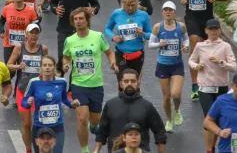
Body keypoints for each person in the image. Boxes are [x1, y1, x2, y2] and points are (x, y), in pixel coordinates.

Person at [63, 8, 117, 153]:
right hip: (78, 84)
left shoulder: (97, 36)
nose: (78, 21)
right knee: (82, 118)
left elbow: (109, 52)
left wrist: (112, 63)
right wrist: (66, 64)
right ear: (73, 22)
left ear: (87, 20)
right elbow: (66, 56)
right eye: (75, 19)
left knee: (95, 119)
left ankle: (93, 126)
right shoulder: (69, 40)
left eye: (81, 18)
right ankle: (85, 150)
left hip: (96, 84)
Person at [177, 0, 228, 100]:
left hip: (207, 19)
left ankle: (210, 81)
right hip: (191, 17)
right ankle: (194, 86)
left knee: (211, 49)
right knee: (195, 46)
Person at [188, 19, 236, 153]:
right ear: (206, 31)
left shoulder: (225, 46)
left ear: (219, 30)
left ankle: (213, 146)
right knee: (209, 120)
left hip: (221, 87)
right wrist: (196, 66)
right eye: (211, 29)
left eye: (216, 29)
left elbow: (233, 67)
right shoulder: (200, 46)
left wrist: (221, 62)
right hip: (205, 88)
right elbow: (191, 60)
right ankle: (209, 150)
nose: (213, 31)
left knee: (219, 121)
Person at [93, 70, 168, 153]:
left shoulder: (147, 106)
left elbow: (160, 132)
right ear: (121, 84)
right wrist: (96, 151)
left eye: (133, 81)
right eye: (126, 81)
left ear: (138, 84)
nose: (129, 84)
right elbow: (102, 132)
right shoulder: (110, 105)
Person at [148, 2, 190, 132]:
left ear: (174, 12)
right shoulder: (158, 27)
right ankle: (169, 120)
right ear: (162, 12)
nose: (168, 12)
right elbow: (150, 44)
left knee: (176, 94)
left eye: (170, 10)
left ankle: (177, 111)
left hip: (177, 64)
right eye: (165, 10)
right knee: (166, 97)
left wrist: (186, 47)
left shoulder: (181, 26)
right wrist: (159, 44)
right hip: (163, 65)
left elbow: (186, 40)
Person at [21, 54, 76, 153]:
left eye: (50, 65)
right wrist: (28, 103)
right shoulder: (33, 82)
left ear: (54, 67)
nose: (47, 68)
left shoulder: (62, 82)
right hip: (39, 127)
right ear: (41, 67)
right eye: (45, 65)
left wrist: (72, 104)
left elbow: (64, 99)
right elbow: (23, 102)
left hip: (57, 127)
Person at [105, 0, 152, 80]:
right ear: (123, 4)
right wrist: (113, 37)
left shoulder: (143, 15)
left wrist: (143, 34)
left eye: (133, 5)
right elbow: (107, 28)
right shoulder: (117, 13)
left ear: (137, 3)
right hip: (121, 54)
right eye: (127, 5)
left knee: (134, 82)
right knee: (122, 81)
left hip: (137, 54)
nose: (130, 8)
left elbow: (151, 35)